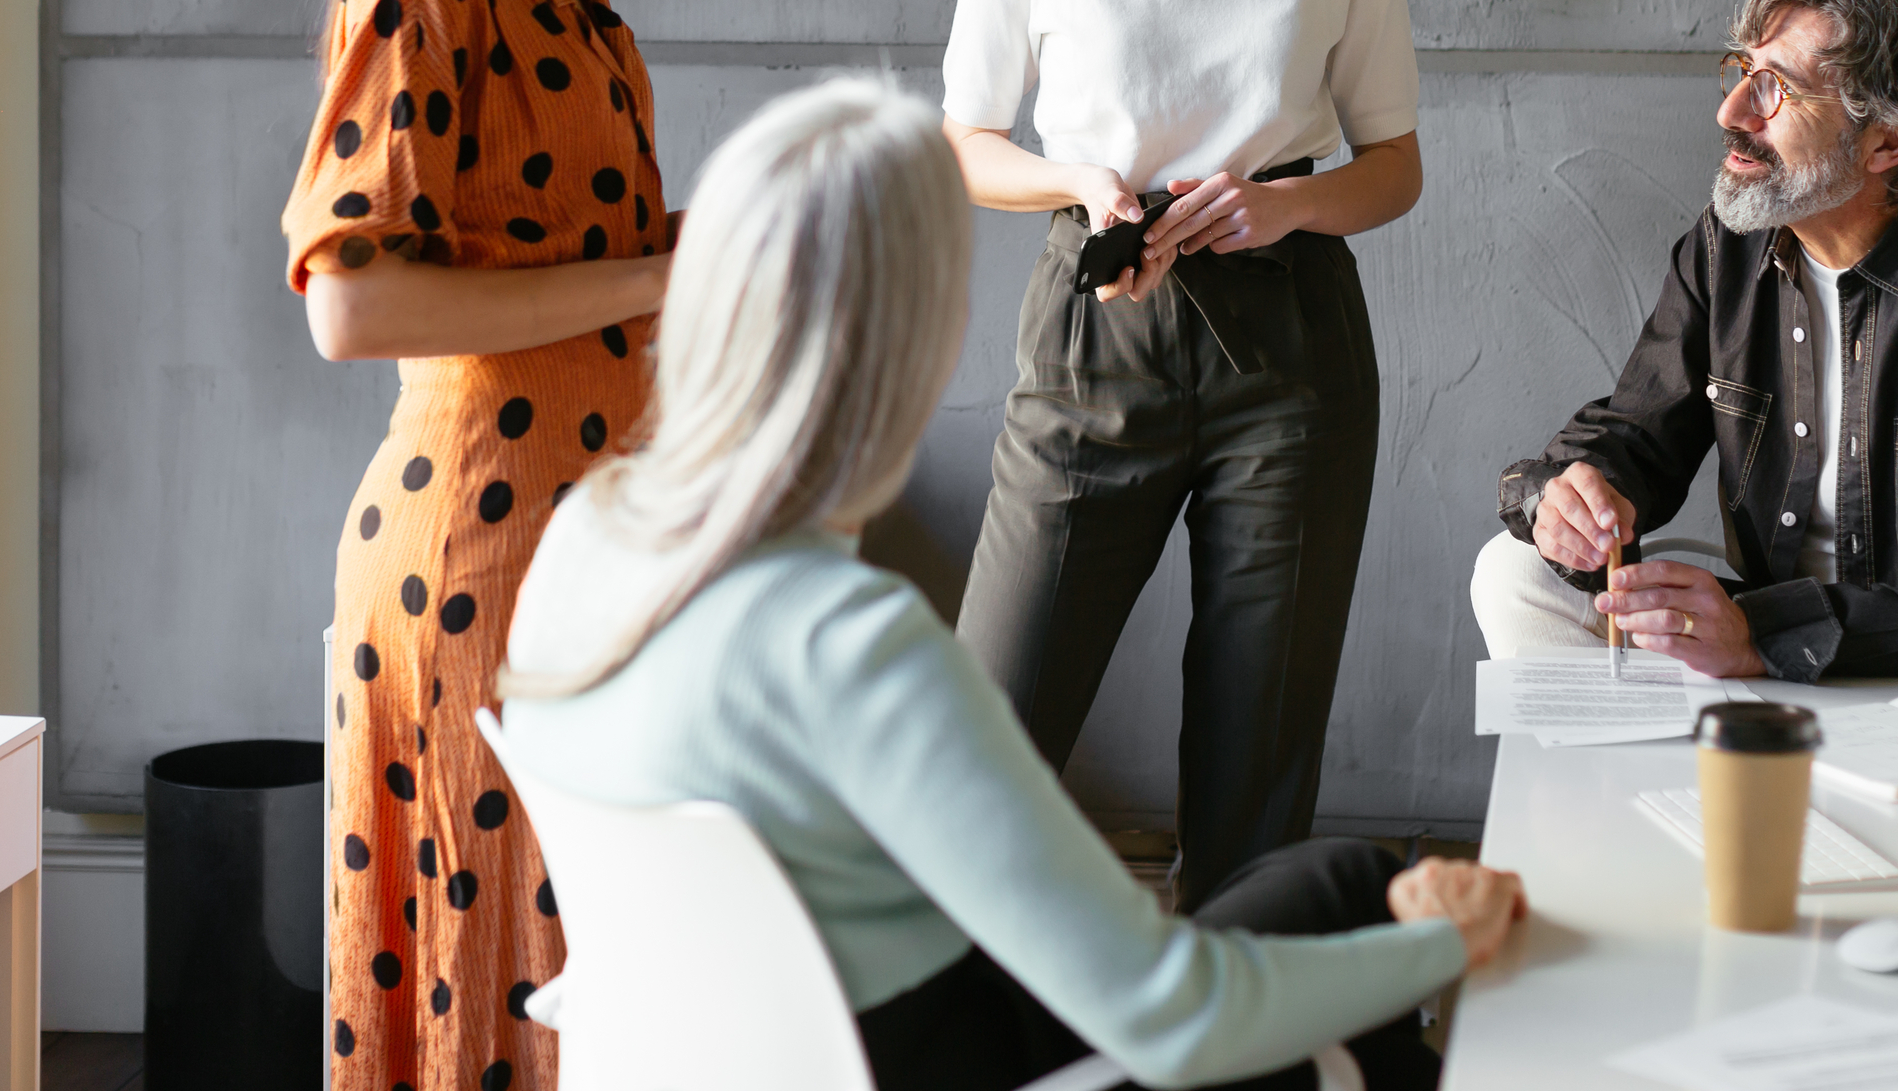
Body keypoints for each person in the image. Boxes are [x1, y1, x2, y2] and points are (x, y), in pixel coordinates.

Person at [498, 79, 1522, 1091]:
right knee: (1370, 904)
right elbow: (1175, 1017)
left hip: (712, 1052)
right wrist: (1439, 944)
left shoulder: (586, 534)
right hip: (945, 1054)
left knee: (1340, 879)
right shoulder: (848, 637)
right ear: (917, 340)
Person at [938, 0, 1423, 908]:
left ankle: (1232, 1047)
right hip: (1100, 315)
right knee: (987, 736)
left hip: (1293, 338)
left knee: (1255, 775)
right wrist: (1077, 180)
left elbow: (1393, 166)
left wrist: (1281, 202)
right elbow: (968, 144)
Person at [282, 0, 693, 1090]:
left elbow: (583, 252)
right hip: (480, 560)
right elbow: (350, 298)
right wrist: (648, 279)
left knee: (578, 993)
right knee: (498, 985)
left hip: (586, 545)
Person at [1471, 0, 1898, 681]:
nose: (1732, 111)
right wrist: (1569, 495)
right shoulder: (1726, 248)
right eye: (1742, 69)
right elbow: (1637, 434)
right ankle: (1640, 784)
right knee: (1516, 572)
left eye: (1776, 89)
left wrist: (1759, 635)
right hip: (1768, 648)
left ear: (1889, 143)